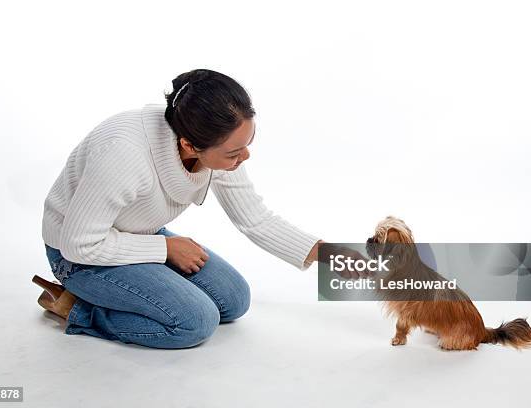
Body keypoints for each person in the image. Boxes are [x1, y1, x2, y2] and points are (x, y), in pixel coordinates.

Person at [32, 68, 324, 349]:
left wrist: (337, 257)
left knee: (234, 300)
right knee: (194, 322)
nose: (244, 156)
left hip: (137, 235)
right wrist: (166, 249)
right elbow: (79, 244)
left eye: (248, 143)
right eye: (234, 152)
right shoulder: (124, 154)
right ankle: (77, 309)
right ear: (188, 144)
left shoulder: (213, 140)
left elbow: (256, 219)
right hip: (78, 255)